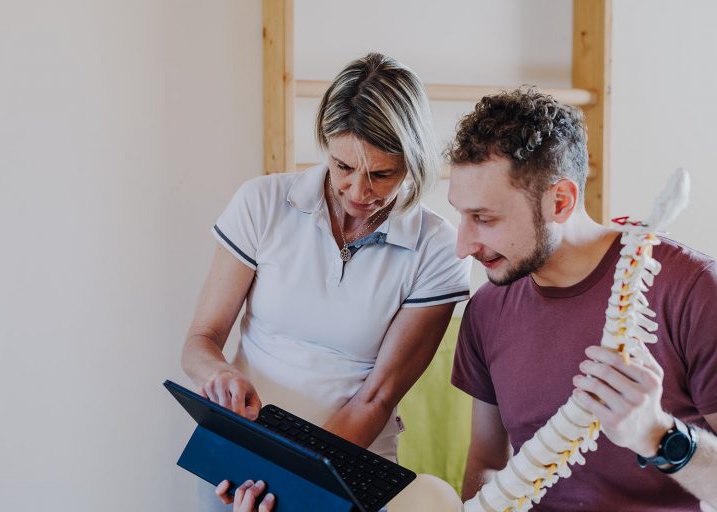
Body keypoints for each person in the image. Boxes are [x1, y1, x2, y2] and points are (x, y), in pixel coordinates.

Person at [182, 52, 471, 511]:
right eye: (343, 167)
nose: (359, 192)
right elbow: (202, 339)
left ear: (413, 163)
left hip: (344, 469)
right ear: (325, 145)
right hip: (239, 462)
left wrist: (289, 478)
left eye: (381, 174)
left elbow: (375, 399)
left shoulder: (437, 249)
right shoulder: (262, 202)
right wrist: (218, 375)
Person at [448, 87, 717, 510]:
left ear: (561, 200)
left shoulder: (694, 290)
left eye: (484, 218)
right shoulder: (485, 308)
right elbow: (485, 464)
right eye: (461, 215)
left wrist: (658, 435)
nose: (463, 246)